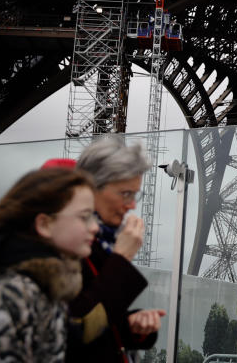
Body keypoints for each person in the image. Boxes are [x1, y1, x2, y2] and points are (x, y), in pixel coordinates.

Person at [0, 168, 98, 362]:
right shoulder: (10, 294)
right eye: (84, 216)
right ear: (45, 224)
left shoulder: (47, 286)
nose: (95, 226)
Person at [69, 137, 165, 363]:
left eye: (135, 194)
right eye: (125, 194)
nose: (132, 205)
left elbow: (97, 319)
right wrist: (121, 259)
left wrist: (131, 326)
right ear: (92, 188)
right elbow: (71, 331)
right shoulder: (65, 243)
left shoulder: (102, 241)